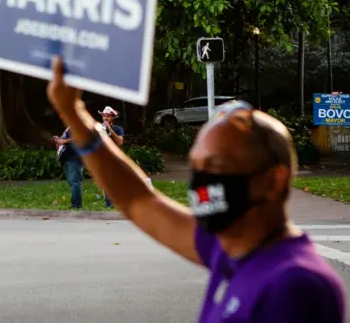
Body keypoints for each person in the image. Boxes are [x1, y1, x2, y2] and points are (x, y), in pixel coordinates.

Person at [46, 57, 345, 323]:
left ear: (274, 179)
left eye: (215, 166)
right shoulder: (231, 248)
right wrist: (72, 112)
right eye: (197, 166)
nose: (201, 179)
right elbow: (140, 201)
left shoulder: (297, 286)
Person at [98, 106, 124, 207]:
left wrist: (110, 130)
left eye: (108, 116)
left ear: (112, 118)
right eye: (104, 116)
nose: (105, 118)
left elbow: (120, 141)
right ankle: (109, 204)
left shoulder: (118, 128)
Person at [54, 126, 83, 209]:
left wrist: (64, 140)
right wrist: (59, 139)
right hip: (66, 159)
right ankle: (76, 203)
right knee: (72, 182)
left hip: (74, 158)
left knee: (75, 182)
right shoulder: (69, 127)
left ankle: (76, 205)